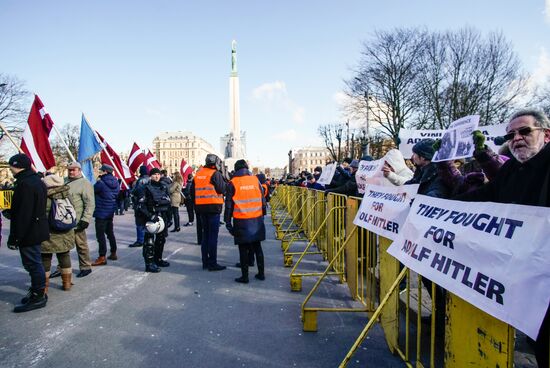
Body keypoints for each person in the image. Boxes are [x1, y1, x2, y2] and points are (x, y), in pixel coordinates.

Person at [456, 109, 550, 368]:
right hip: (525, 271)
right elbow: (485, 196)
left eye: (524, 131)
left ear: (546, 134)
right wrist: (438, 205)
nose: (516, 138)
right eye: (511, 134)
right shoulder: (511, 170)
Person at [5, 153, 49, 313]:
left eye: (11, 167)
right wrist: (12, 211)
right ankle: (38, 293)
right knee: (34, 262)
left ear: (17, 166)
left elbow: (24, 214)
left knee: (32, 263)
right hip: (35, 227)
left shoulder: (25, 184)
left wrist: (15, 238)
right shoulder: (35, 180)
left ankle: (38, 296)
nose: (10, 170)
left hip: (29, 230)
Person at [51, 162, 95, 279]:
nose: (71, 172)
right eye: (69, 170)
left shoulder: (85, 183)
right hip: (63, 220)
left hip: (77, 220)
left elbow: (90, 203)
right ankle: (62, 268)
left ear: (79, 170)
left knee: (81, 245)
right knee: (62, 246)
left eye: (73, 170)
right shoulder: (64, 181)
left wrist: (85, 219)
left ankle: (85, 267)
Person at [225, 160, 266, 283]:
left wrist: (227, 222)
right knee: (257, 246)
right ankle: (261, 273)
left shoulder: (233, 182)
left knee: (243, 248)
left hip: (241, 220)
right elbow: (262, 199)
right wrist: (263, 215)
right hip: (256, 219)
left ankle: (245, 276)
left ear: (236, 169)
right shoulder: (255, 180)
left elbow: (228, 206)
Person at [41, 174, 76, 291]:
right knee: (64, 256)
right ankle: (67, 283)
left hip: (48, 233)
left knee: (45, 258)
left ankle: (44, 287)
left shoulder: (44, 196)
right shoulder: (67, 194)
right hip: (66, 231)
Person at [192, 154, 226, 271]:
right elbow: (222, 189)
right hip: (213, 208)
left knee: (205, 235)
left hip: (201, 209)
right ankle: (212, 263)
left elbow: (192, 192)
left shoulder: (198, 174)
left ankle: (205, 262)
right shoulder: (215, 174)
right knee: (213, 236)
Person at [136, 168, 172, 272]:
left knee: (161, 240)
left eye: (158, 174)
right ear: (150, 176)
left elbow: (168, 203)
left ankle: (158, 259)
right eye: (154, 174)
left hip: (162, 216)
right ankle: (149, 263)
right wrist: (150, 216)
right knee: (149, 241)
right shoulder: (144, 188)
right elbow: (141, 206)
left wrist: (169, 218)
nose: (157, 176)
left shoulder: (164, 187)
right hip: (150, 217)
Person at [92, 164, 119, 266]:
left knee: (100, 235)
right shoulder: (116, 182)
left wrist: (97, 180)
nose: (100, 172)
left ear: (105, 171)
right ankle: (113, 252)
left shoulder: (101, 183)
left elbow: (92, 190)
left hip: (101, 211)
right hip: (110, 211)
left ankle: (102, 256)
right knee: (110, 233)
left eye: (101, 171)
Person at [130, 165, 150, 248]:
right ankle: (148, 239)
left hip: (140, 204)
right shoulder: (150, 180)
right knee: (147, 223)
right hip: (148, 204)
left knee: (139, 223)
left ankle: (140, 240)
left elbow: (134, 191)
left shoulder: (140, 181)